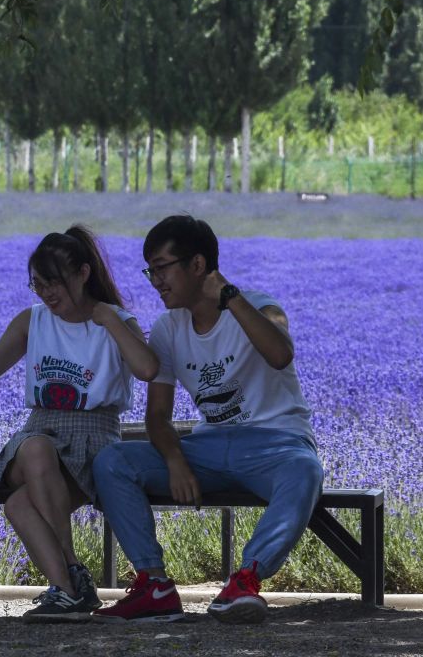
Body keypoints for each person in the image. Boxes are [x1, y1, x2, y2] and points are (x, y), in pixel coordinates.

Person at [92, 215, 324, 625]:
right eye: (151, 270)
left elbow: (280, 353)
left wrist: (231, 298)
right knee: (113, 461)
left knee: (305, 471)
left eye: (162, 267)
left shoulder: (261, 306)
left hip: (277, 445)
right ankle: (154, 585)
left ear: (197, 265)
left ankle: (246, 581)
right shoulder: (168, 328)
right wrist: (176, 462)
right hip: (209, 448)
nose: (155, 280)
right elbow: (158, 417)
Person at [0, 225, 158, 622]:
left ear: (84, 274)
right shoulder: (32, 321)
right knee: (37, 448)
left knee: (18, 505)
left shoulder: (117, 321)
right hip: (40, 431)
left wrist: (109, 320)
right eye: (38, 284)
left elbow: (147, 368)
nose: (47, 293)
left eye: (55, 283)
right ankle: (73, 572)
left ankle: (68, 593)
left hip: (95, 437)